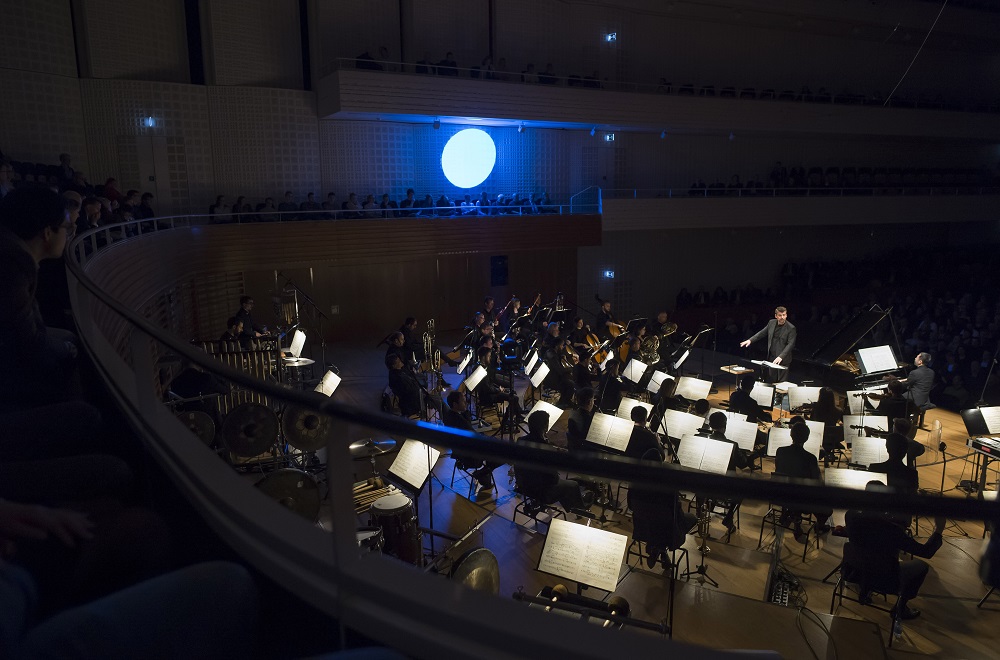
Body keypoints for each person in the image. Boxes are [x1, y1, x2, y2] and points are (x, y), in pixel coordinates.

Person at [0, 188, 82, 406]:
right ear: (47, 232)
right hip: (9, 381)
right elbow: (26, 342)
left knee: (68, 338)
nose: (69, 234)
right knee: (87, 417)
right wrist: (69, 350)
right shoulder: (14, 262)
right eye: (67, 228)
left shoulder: (12, 252)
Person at [844, 483, 945, 620]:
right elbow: (926, 552)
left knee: (869, 553)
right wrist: (938, 530)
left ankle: (866, 589)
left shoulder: (850, 516)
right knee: (921, 567)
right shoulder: (891, 531)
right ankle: (900, 608)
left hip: (856, 570)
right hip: (885, 579)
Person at [514, 411, 591, 512]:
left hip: (523, 486)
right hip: (541, 491)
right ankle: (581, 510)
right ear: (545, 427)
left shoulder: (521, 440)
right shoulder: (545, 448)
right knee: (572, 485)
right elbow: (553, 479)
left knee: (565, 485)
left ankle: (572, 508)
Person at [774, 422, 833, 538]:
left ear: (791, 435)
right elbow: (817, 482)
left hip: (780, 494)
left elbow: (779, 469)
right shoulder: (810, 458)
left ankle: (791, 514)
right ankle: (819, 527)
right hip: (802, 499)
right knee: (828, 509)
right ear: (807, 438)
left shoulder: (780, 451)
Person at [442, 390, 502, 496]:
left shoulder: (449, 416)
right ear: (455, 404)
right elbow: (472, 433)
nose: (466, 403)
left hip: (459, 452)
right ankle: (484, 472)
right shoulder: (459, 420)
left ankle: (485, 474)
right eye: (463, 401)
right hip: (469, 455)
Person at [740, 306, 796, 381]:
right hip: (772, 357)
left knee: (782, 382)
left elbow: (790, 344)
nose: (782, 317)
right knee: (771, 379)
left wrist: (781, 357)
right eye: (780, 315)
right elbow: (762, 333)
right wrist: (750, 340)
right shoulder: (771, 323)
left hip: (783, 359)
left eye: (784, 315)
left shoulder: (791, 328)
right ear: (776, 316)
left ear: (786, 315)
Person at [566, 387, 595, 452]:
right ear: (590, 402)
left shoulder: (573, 412)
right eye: (593, 400)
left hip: (573, 447)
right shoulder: (587, 419)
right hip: (583, 450)